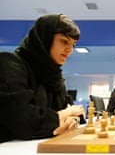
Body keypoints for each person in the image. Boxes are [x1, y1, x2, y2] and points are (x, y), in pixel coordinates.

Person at [0, 14, 85, 143]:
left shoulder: (54, 76)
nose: (69, 49)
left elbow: (75, 110)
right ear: (45, 39)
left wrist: (73, 119)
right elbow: (24, 119)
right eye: (64, 41)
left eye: (73, 44)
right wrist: (62, 115)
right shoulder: (9, 64)